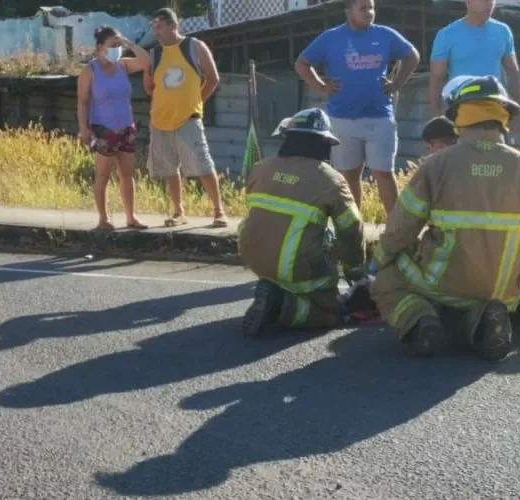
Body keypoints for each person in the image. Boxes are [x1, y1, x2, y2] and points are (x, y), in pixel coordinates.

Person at [370, 75, 520, 361]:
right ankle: (481, 319)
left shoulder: (437, 164)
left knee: (386, 280)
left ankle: (420, 320)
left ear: (459, 117)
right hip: (503, 291)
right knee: (480, 301)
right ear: (504, 117)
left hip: (442, 285)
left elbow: (401, 229)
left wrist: (380, 258)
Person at [238, 108, 366, 337]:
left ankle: (273, 289)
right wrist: (356, 273)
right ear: (325, 144)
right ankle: (281, 306)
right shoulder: (331, 180)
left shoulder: (260, 168)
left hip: (253, 258)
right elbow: (351, 231)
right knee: (331, 311)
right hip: (294, 266)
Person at [295, 0, 420, 215]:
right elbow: (302, 64)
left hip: (379, 117)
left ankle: (396, 230)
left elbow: (412, 56)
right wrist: (321, 86)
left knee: (384, 173)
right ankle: (355, 227)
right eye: (363, 8)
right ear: (348, 10)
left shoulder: (385, 35)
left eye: (371, 7)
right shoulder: (331, 37)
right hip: (342, 119)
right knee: (349, 175)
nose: (369, 12)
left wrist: (397, 83)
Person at [143, 8, 228, 228]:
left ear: (174, 25)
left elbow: (213, 78)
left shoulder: (194, 46)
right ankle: (178, 211)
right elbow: (150, 87)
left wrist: (197, 100)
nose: (156, 32)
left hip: (188, 119)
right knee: (170, 169)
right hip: (160, 120)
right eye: (154, 28)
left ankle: (219, 211)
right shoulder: (155, 53)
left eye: (160, 26)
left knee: (203, 165)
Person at [77, 26, 149, 231]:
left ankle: (131, 217)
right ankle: (103, 218)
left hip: (126, 127)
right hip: (103, 129)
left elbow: (146, 62)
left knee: (127, 174)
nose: (116, 49)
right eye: (112, 45)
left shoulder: (123, 65)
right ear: (100, 47)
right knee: (103, 175)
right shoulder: (90, 70)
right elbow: (82, 101)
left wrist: (129, 44)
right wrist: (84, 128)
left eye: (118, 46)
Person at [428, 0, 520, 136]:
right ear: (469, 2)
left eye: (492, 1)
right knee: (462, 155)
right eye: (484, 1)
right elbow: (437, 79)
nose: (489, 5)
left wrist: (518, 110)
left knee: (496, 155)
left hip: (495, 111)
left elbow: (513, 72)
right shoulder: (447, 35)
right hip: (461, 111)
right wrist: (436, 117)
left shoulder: (503, 31)